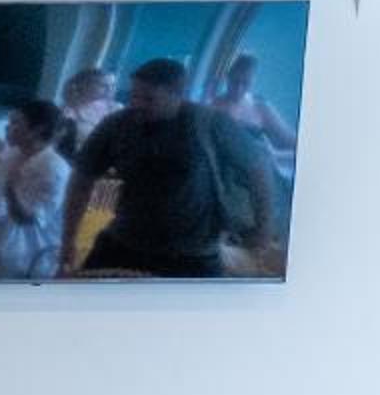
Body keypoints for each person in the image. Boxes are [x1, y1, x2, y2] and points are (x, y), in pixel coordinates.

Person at [58, 57, 278, 277]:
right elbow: (81, 180)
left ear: (177, 95)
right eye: (134, 96)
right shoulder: (117, 125)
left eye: (149, 99)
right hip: (125, 240)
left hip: (193, 253)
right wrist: (68, 240)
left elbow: (259, 172)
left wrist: (263, 229)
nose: (137, 104)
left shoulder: (212, 124)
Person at [0, 99, 70, 281]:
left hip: (29, 248)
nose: (8, 127)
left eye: (16, 123)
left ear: (37, 130)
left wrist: (9, 188)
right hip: (1, 230)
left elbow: (25, 218)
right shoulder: (17, 151)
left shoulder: (54, 168)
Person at [206, 51, 299, 157]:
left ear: (253, 80)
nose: (239, 89)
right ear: (228, 77)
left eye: (245, 83)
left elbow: (293, 142)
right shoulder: (212, 106)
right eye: (235, 81)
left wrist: (274, 153)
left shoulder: (261, 107)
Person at [54, 66, 117, 159]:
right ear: (85, 85)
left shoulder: (114, 108)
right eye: (103, 85)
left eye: (113, 85)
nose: (110, 89)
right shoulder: (67, 112)